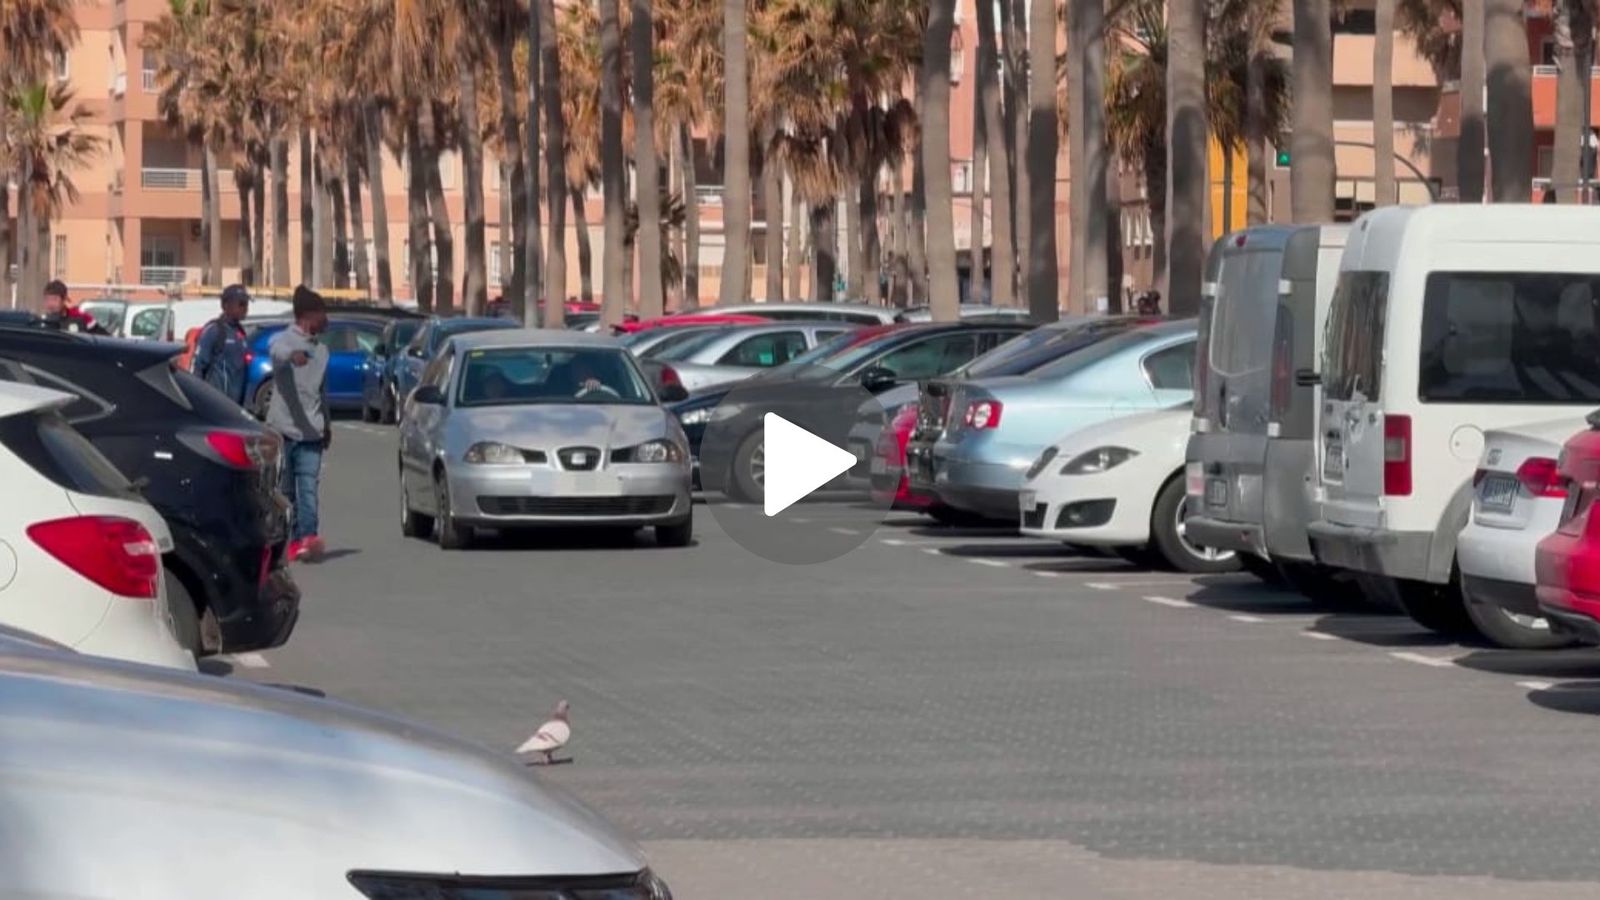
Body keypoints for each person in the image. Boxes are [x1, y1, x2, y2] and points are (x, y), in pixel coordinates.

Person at [265, 286, 331, 562]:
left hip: (312, 432)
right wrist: (293, 355)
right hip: (283, 431)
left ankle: (308, 536)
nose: (326, 320)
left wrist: (327, 424)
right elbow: (276, 351)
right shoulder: (283, 340)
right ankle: (292, 540)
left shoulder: (323, 350)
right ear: (307, 316)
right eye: (322, 314)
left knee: (308, 487)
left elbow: (320, 392)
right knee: (286, 490)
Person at [191, 284, 252, 405]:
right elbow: (198, 368)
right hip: (215, 405)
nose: (245, 308)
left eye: (246, 304)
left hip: (235, 407)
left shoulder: (240, 332)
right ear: (226, 305)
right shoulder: (214, 331)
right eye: (241, 304)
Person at [40, 280, 107, 335]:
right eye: (47, 299)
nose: (50, 304)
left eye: (54, 299)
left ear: (64, 299)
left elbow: (104, 339)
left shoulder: (81, 316)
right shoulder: (41, 322)